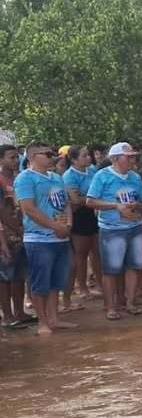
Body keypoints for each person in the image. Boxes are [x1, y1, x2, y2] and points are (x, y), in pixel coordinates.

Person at [14, 142, 76, 335]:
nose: (52, 157)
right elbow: (29, 208)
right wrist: (54, 226)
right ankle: (42, 322)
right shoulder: (25, 178)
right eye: (47, 154)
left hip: (60, 237)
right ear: (33, 157)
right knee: (40, 282)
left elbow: (65, 204)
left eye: (52, 154)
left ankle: (54, 318)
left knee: (57, 281)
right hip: (39, 239)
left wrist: (68, 225)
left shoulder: (57, 177)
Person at [87, 142, 142, 320]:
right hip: (112, 229)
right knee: (111, 270)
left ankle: (130, 302)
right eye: (128, 157)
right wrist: (116, 205)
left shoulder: (135, 177)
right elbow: (90, 201)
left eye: (133, 156)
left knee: (134, 266)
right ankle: (110, 306)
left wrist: (138, 205)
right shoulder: (102, 176)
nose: (132, 159)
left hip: (135, 226)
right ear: (115, 159)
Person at [63, 145, 103, 300]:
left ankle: (100, 284)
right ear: (73, 159)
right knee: (81, 253)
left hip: (94, 213)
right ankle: (83, 287)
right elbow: (74, 200)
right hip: (80, 215)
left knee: (97, 251)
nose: (89, 158)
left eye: (88, 155)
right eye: (84, 155)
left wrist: (85, 197)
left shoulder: (92, 170)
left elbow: (92, 194)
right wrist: (91, 199)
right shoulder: (69, 175)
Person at [0, 143, 33, 329]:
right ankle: (7, 315)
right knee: (5, 276)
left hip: (21, 232)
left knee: (19, 274)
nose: (16, 160)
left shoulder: (19, 179)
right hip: (6, 234)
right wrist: (17, 228)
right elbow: (2, 211)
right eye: (11, 157)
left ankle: (19, 312)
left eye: (16, 157)